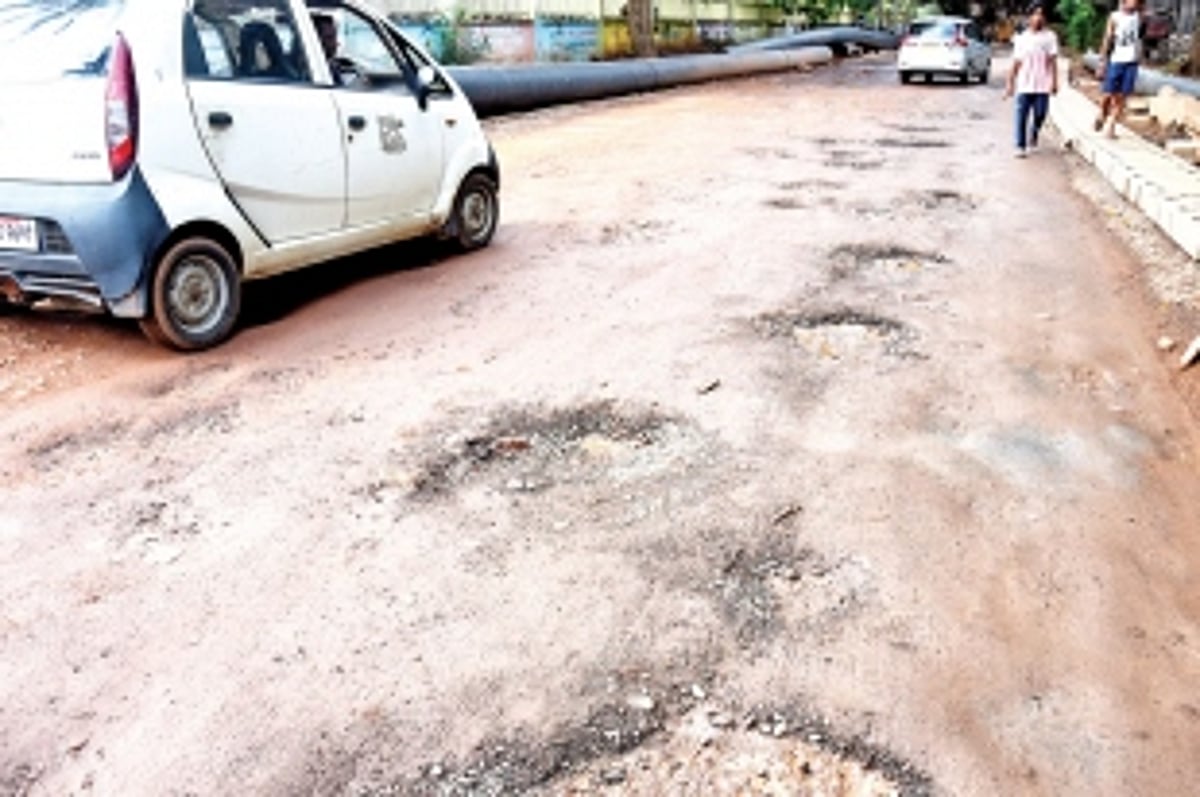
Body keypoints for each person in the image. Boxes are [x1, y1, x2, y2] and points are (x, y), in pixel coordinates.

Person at [1005, 2, 1059, 158]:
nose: (1038, 18)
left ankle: (1034, 131)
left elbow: (1053, 61)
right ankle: (1020, 145)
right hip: (1024, 84)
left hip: (1042, 84)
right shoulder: (1022, 39)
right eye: (1035, 14)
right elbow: (1016, 63)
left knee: (1041, 114)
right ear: (1029, 17)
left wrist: (1055, 82)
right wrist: (1010, 83)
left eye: (1041, 14)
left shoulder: (1050, 37)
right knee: (1021, 115)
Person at [1095, 0, 1142, 139]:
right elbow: (1107, 39)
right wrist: (1102, 61)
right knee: (1108, 95)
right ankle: (1102, 114)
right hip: (1116, 61)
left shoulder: (1140, 16)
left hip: (1132, 62)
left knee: (1122, 96)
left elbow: (1140, 37)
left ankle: (1112, 127)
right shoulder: (1114, 17)